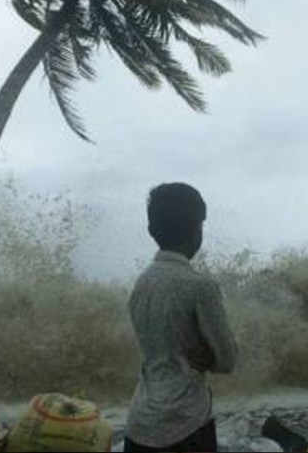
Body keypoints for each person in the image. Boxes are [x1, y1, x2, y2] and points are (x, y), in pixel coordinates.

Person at [125, 183, 238, 453]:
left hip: (139, 424)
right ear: (197, 230)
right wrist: (210, 358)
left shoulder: (142, 283)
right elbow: (227, 360)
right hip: (185, 426)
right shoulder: (200, 286)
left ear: (151, 230)